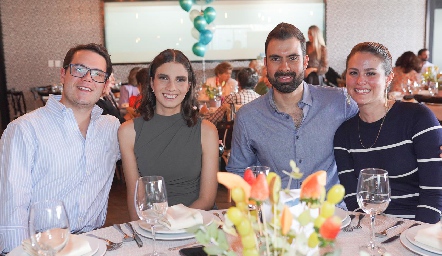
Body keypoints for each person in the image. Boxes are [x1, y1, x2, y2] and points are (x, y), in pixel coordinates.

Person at [0, 43, 120, 253]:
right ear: (63, 74)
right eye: (79, 70)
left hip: (93, 243)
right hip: (41, 248)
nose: (87, 79)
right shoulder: (24, 130)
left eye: (97, 74)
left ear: (105, 84)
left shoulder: (111, 128)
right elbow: (12, 208)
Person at [226, 22, 358, 192]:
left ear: (305, 62)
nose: (284, 67)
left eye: (293, 58)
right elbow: (238, 173)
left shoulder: (339, 102)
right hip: (275, 215)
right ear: (266, 63)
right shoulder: (247, 117)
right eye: (275, 59)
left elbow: (371, 131)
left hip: (330, 214)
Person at [334, 42, 442, 224]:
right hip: (371, 228)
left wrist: (414, 235)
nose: (360, 80)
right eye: (353, 73)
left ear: (389, 77)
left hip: (419, 227)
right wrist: (375, 233)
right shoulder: (343, 135)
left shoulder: (418, 118)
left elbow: (434, 195)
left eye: (371, 73)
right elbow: (354, 200)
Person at [118, 49, 219, 220]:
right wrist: (148, 233)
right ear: (151, 83)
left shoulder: (207, 131)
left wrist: (172, 225)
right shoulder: (128, 132)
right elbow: (135, 198)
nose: (171, 87)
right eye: (163, 78)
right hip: (153, 226)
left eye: (180, 80)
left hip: (196, 225)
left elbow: (207, 199)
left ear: (188, 86)